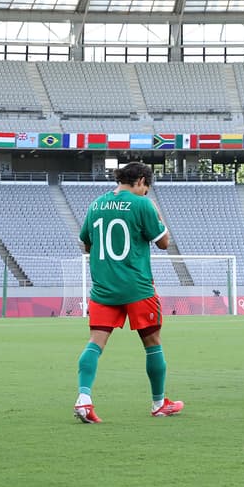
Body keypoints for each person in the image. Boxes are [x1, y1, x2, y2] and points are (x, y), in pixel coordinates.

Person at [73, 161, 183, 423]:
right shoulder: (142, 203)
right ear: (143, 182)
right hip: (137, 287)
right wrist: (154, 210)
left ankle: (83, 399)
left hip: (103, 288)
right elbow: (164, 243)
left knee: (95, 342)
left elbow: (86, 244)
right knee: (152, 344)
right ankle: (158, 403)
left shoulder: (96, 204)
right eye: (147, 188)